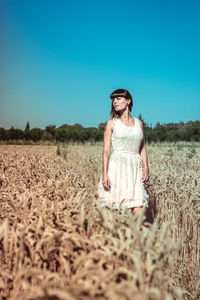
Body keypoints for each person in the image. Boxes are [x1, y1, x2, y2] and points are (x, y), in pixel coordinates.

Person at [98, 89, 149, 215]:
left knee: (139, 206)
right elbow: (106, 151)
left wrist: (146, 167)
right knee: (114, 208)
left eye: (118, 98)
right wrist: (105, 174)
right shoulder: (111, 123)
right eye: (113, 99)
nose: (114, 102)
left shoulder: (139, 123)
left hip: (135, 168)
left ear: (128, 101)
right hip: (117, 167)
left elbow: (142, 147)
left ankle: (135, 233)